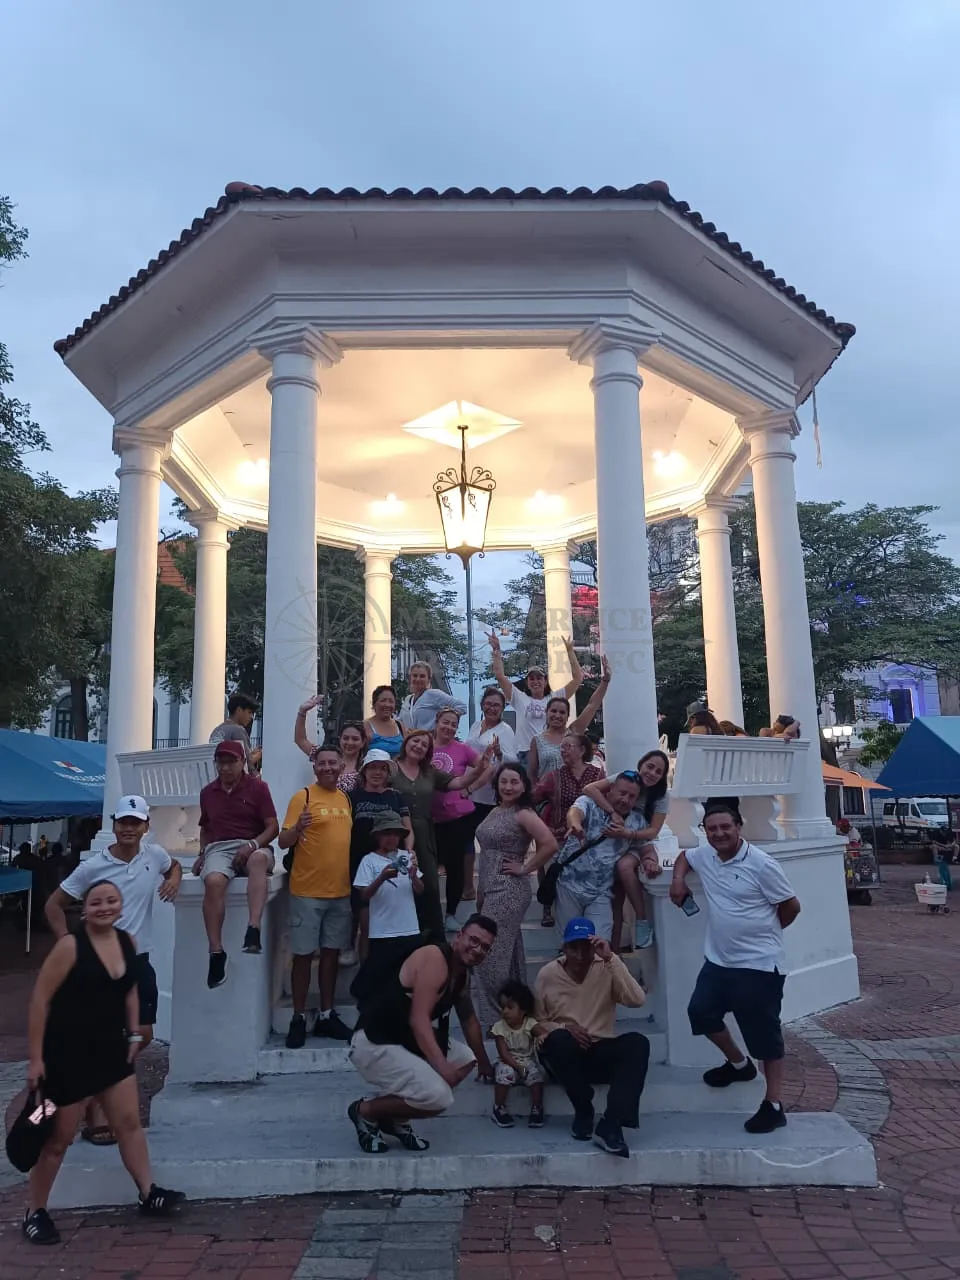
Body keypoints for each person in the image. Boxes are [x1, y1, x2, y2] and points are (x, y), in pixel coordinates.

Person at [22, 880, 184, 1245]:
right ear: (84, 908)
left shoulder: (127, 942)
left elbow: (129, 990)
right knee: (57, 1139)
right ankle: (35, 1211)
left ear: (121, 905)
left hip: (111, 1053)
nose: (104, 907)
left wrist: (132, 1035)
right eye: (96, 902)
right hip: (66, 1057)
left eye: (111, 901)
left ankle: (148, 1193)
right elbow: (39, 1002)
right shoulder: (70, 947)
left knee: (128, 1124)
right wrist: (36, 1060)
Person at [45, 795, 182, 1146]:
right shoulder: (94, 866)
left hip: (140, 960)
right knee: (106, 1039)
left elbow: (173, 866)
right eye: (122, 822)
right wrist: (69, 945)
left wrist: (174, 879)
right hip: (102, 964)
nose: (128, 829)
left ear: (146, 826)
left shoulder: (154, 855)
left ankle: (82, 1098)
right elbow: (54, 905)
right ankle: (95, 1116)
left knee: (142, 1035)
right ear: (114, 823)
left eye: (135, 822)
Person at [670, 805, 801, 1135]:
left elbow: (791, 906)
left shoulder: (762, 864)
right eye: (711, 828)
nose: (718, 834)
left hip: (759, 965)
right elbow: (686, 856)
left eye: (725, 827)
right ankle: (738, 1065)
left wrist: (763, 933)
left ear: (738, 826)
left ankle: (773, 1105)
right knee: (700, 1013)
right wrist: (677, 879)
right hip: (719, 961)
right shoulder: (708, 856)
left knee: (765, 1038)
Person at [347, 914, 497, 1153]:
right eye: (474, 940)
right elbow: (419, 1019)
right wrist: (442, 1066)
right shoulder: (434, 958)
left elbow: (469, 1021)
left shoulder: (461, 975)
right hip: (373, 1042)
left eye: (485, 947)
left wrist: (484, 1064)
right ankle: (365, 1111)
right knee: (439, 1098)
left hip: (401, 1039)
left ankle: (395, 1117)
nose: (478, 949)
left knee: (466, 1060)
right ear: (459, 936)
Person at [535, 918, 649, 1157]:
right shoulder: (548, 974)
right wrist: (564, 1027)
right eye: (573, 947)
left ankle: (611, 1122)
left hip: (599, 1047)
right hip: (565, 1057)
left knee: (637, 1043)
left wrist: (611, 958)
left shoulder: (606, 967)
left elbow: (637, 1000)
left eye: (585, 947)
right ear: (564, 948)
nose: (579, 954)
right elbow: (534, 1022)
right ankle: (583, 1108)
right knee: (557, 1041)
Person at [471, 764, 557, 1034]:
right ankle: (518, 1017)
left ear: (523, 786)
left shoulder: (524, 814)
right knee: (508, 958)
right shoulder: (498, 811)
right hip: (490, 887)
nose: (508, 787)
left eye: (514, 782)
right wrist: (480, 891)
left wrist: (526, 867)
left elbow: (550, 843)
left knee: (488, 958)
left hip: (508, 889)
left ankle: (499, 1020)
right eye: (503, 781)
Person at [277, 744, 354, 1048]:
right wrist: (297, 828)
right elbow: (283, 841)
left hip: (340, 892)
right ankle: (298, 1017)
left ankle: (326, 1015)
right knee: (303, 957)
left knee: (332, 957)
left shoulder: (345, 798)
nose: (327, 767)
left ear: (340, 767)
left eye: (332, 763)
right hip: (307, 892)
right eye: (321, 763)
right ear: (315, 767)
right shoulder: (303, 797)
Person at [393, 729, 496, 941]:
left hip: (423, 832)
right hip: (393, 832)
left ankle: (431, 935)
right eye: (416, 741)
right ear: (406, 742)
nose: (419, 746)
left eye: (424, 745)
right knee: (397, 883)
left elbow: (458, 783)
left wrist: (481, 767)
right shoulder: (390, 768)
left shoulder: (429, 772)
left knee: (429, 883)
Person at [194, 741, 279, 988]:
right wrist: (202, 853)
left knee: (259, 861)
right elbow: (206, 827)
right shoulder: (208, 792)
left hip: (254, 843)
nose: (225, 767)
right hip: (220, 847)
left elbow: (272, 826)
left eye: (231, 762)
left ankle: (253, 928)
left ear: (242, 762)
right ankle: (216, 951)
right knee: (213, 881)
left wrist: (253, 844)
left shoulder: (258, 788)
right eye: (221, 762)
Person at [583, 750, 670, 950]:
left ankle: (641, 921)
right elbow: (590, 789)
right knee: (615, 900)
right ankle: (612, 953)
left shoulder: (661, 796)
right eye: (650, 766)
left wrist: (627, 834)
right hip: (614, 839)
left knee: (624, 868)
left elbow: (653, 831)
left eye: (659, 771)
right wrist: (612, 812)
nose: (652, 773)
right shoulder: (628, 778)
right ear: (641, 764)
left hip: (638, 842)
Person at [556, 772, 649, 941]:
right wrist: (576, 825)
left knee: (600, 944)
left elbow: (645, 846)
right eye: (622, 793)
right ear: (611, 789)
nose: (625, 800)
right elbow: (575, 813)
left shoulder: (637, 821)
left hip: (601, 892)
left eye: (632, 796)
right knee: (569, 944)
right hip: (570, 886)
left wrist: (650, 860)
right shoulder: (589, 803)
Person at [345, 748, 413, 963]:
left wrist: (410, 852)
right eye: (372, 768)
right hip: (358, 859)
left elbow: (407, 828)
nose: (377, 773)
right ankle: (354, 951)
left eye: (382, 769)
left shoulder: (396, 796)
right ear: (364, 770)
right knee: (361, 912)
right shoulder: (352, 796)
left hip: (390, 859)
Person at [351, 812, 424, 1007]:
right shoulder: (369, 860)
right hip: (382, 932)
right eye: (386, 833)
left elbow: (420, 891)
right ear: (377, 836)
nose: (391, 838)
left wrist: (414, 876)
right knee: (380, 981)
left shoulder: (407, 856)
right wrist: (382, 878)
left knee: (407, 981)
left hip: (409, 929)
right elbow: (364, 895)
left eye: (395, 834)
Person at [534, 731, 606, 927]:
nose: (563, 750)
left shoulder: (598, 775)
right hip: (558, 835)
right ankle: (548, 905)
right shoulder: (553, 777)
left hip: (588, 838)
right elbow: (532, 796)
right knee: (553, 871)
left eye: (568, 746)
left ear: (582, 750)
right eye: (562, 747)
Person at [487, 631, 583, 766]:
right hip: (525, 752)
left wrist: (570, 652)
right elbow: (500, 675)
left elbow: (578, 678)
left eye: (539, 678)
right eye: (531, 679)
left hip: (551, 751)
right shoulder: (519, 698)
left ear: (545, 681)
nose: (535, 681)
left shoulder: (555, 698)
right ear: (527, 683)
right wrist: (496, 648)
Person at [431, 706, 482, 932]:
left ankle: (450, 913)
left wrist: (470, 789)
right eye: (446, 722)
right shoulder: (424, 746)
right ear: (436, 722)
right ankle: (429, 916)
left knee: (455, 867)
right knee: (428, 867)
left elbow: (485, 766)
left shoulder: (462, 749)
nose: (449, 727)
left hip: (457, 817)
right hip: (427, 817)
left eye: (453, 724)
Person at [465, 686, 519, 899]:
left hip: (490, 795)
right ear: (482, 705)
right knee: (466, 839)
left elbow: (513, 760)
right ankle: (468, 886)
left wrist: (500, 753)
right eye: (488, 703)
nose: (492, 708)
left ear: (503, 708)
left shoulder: (505, 730)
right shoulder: (475, 725)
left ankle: (491, 886)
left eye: (497, 705)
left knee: (490, 842)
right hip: (469, 792)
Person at [527, 655, 612, 787]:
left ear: (567, 716)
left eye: (562, 712)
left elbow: (592, 704)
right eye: (553, 711)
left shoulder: (573, 732)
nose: (557, 715)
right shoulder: (537, 740)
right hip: (546, 798)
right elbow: (532, 774)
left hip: (574, 795)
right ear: (546, 713)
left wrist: (605, 681)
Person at [490, 979, 545, 1129]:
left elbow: (542, 1033)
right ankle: (498, 1108)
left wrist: (541, 1037)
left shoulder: (529, 1023)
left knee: (536, 1076)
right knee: (505, 1074)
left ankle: (537, 1108)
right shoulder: (499, 1028)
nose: (504, 1011)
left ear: (524, 1010)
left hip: (527, 1060)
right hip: (507, 1061)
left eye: (510, 1007)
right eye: (502, 1007)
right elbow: (503, 1053)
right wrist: (517, 1067)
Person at [293, 695, 366, 791]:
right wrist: (302, 711)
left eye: (355, 739)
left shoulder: (367, 764)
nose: (350, 742)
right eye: (346, 738)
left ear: (363, 742)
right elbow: (300, 740)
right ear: (340, 739)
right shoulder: (327, 756)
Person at [398, 661, 468, 731]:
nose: (418, 679)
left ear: (429, 679)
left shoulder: (433, 694)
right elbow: (399, 722)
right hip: (410, 740)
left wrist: (443, 720)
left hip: (430, 740)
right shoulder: (408, 699)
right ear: (410, 677)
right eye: (415, 675)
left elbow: (462, 707)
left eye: (422, 676)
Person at [209, 692, 261, 770]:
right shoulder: (238, 730)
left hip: (220, 776)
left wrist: (252, 754)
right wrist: (261, 754)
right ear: (239, 710)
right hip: (233, 778)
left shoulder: (217, 730)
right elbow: (248, 762)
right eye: (249, 712)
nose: (251, 717)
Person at [363, 685, 406, 757]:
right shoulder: (364, 726)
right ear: (374, 703)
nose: (387, 705)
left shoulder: (400, 726)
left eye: (391, 701)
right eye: (383, 701)